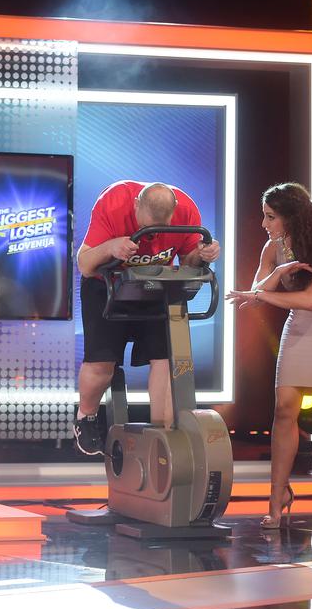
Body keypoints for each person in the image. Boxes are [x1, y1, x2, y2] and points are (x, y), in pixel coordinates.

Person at [226, 182, 312, 531]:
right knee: (285, 407)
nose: (264, 223)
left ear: (292, 217)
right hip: (300, 322)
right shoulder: (273, 247)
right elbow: (256, 293)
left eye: (270, 217)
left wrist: (263, 294)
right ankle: (278, 494)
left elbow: (311, 299)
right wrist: (277, 273)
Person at [74, 180, 221, 456]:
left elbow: (188, 262)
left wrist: (203, 255)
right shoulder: (113, 202)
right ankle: (86, 417)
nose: (152, 238)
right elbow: (85, 264)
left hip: (155, 286)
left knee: (164, 360)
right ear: (135, 205)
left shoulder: (187, 209)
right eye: (146, 227)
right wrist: (111, 247)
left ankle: (162, 435)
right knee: (102, 364)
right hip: (105, 284)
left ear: (174, 212)